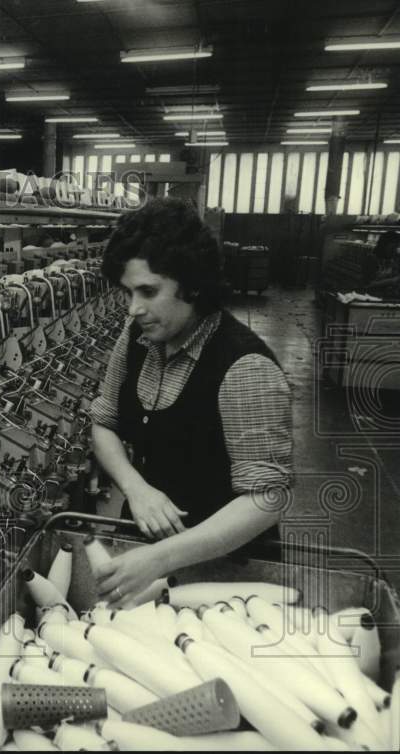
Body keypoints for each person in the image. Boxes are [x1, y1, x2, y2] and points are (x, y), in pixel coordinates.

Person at [87, 197, 293, 606]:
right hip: (145, 554)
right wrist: (136, 488)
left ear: (193, 285)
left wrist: (161, 557)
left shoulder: (244, 366)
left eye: (149, 291)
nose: (134, 309)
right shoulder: (136, 339)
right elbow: (104, 422)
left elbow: (267, 499)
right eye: (127, 292)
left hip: (226, 573)